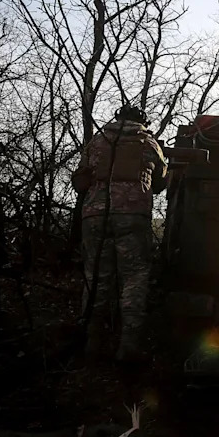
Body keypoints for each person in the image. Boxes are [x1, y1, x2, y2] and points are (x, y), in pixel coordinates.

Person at [71, 104, 167, 363]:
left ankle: (91, 343)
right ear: (142, 121)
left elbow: (80, 178)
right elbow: (160, 182)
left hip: (94, 216)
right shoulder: (148, 142)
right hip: (133, 216)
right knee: (134, 278)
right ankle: (128, 348)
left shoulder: (97, 141)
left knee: (95, 278)